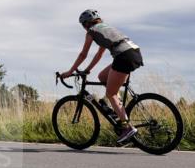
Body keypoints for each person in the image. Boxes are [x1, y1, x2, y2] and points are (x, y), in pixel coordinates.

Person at [62, 9, 144, 144]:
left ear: (86, 24)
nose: (84, 28)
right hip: (134, 52)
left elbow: (83, 54)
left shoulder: (92, 32)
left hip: (123, 56)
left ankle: (127, 127)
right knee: (102, 76)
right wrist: (87, 70)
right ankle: (117, 109)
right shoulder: (106, 28)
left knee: (110, 93)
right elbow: (99, 54)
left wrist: (70, 71)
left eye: (83, 25)